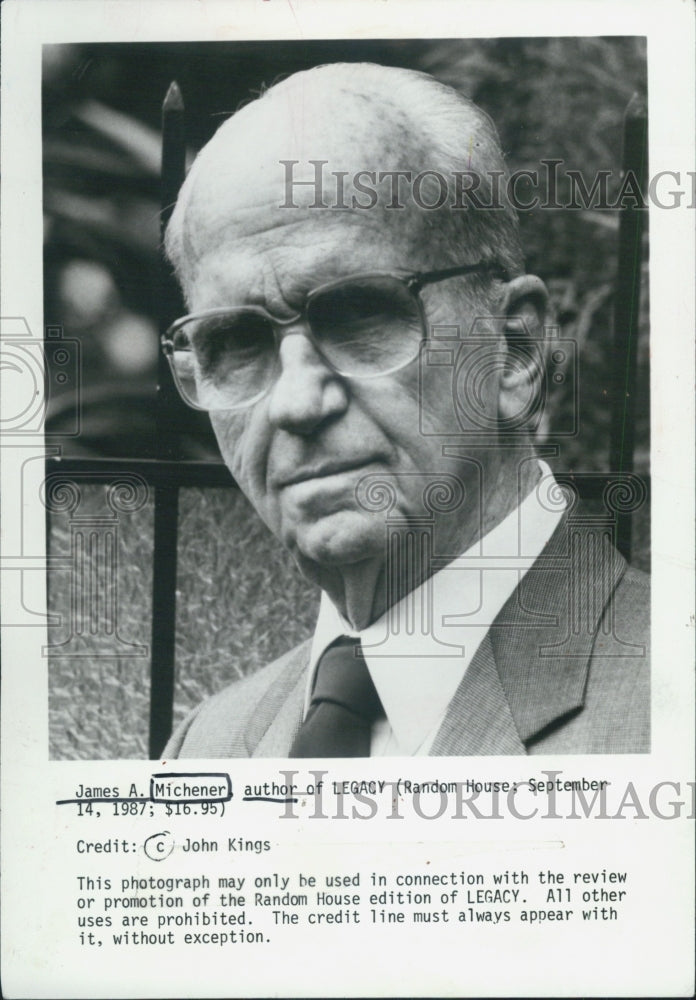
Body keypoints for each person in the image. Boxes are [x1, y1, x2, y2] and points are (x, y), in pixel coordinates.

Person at [162, 62, 649, 758]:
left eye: (360, 314)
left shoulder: (667, 708)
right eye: (235, 341)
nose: (297, 402)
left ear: (513, 351)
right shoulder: (205, 747)